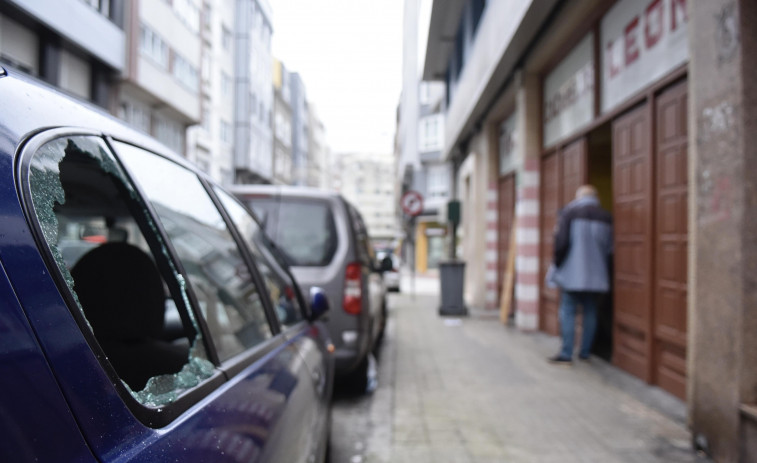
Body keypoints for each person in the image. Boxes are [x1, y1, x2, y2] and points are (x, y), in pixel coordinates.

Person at [547, 185, 612, 365]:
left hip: (572, 274)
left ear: (578, 197)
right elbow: (610, 249)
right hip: (597, 275)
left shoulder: (570, 213)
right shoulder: (606, 216)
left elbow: (561, 243)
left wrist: (558, 265)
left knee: (567, 310)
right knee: (590, 310)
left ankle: (567, 353)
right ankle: (585, 352)